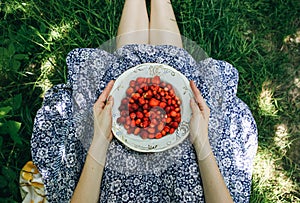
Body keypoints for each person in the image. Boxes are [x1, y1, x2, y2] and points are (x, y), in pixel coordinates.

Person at [30, 0, 258, 202]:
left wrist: (100, 140)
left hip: (107, 170)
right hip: (192, 160)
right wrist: (202, 142)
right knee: (174, 71)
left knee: (124, 73)